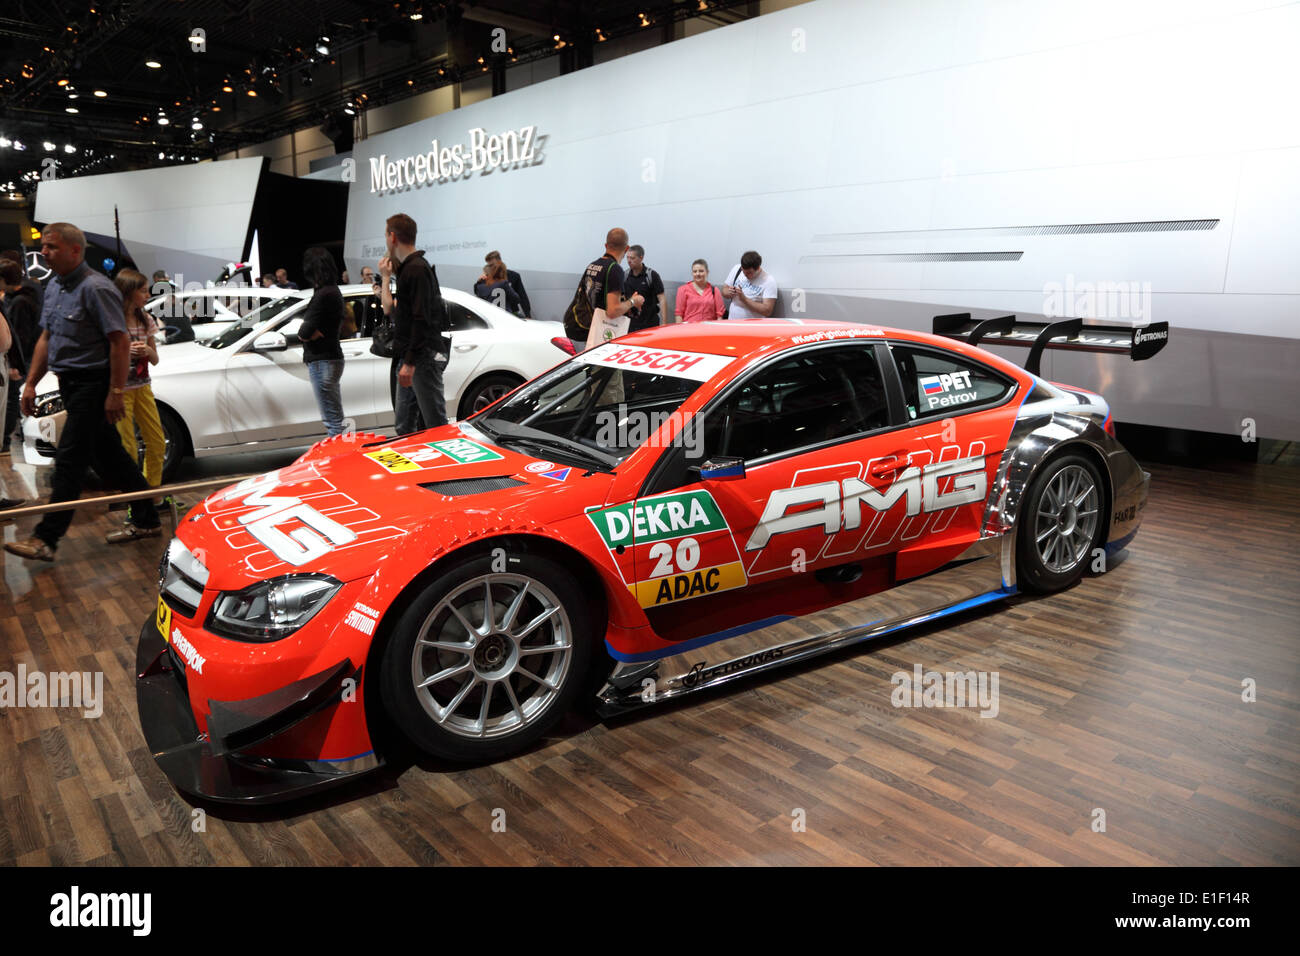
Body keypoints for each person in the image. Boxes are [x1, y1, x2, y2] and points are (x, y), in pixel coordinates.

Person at [4, 222, 161, 561]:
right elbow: (47, 338)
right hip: (70, 383)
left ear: (75, 250)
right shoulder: (55, 288)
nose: (43, 252)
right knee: (112, 457)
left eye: (51, 247)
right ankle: (148, 519)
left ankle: (46, 538)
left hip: (94, 382)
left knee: (70, 459)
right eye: (43, 246)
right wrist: (31, 383)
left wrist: (115, 391)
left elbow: (118, 342)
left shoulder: (96, 288)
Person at [380, 214, 448, 434]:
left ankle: (448, 468)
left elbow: (422, 319)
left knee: (435, 425)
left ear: (392, 236)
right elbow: (401, 312)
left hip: (420, 358)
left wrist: (409, 362)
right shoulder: (410, 268)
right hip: (412, 356)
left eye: (385, 235)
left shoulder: (416, 269)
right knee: (405, 426)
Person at [111, 269, 166, 493]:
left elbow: (155, 360)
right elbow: (105, 358)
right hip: (119, 390)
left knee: (157, 442)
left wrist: (145, 351)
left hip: (143, 388)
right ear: (128, 291)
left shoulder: (146, 319)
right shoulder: (112, 320)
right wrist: (126, 353)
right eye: (142, 291)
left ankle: (152, 493)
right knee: (127, 447)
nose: (147, 295)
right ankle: (134, 498)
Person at [564, 228, 642, 350]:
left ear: (606, 245)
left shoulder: (592, 265)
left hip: (580, 329)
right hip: (595, 335)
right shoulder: (615, 269)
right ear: (627, 249)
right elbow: (612, 311)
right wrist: (633, 301)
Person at [298, 247, 347, 436]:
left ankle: (341, 461)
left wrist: (307, 334)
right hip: (329, 358)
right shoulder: (332, 291)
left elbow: (304, 331)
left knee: (333, 421)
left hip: (322, 360)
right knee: (335, 418)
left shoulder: (324, 295)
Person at [1, 260, 41, 453]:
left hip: (22, 360)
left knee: (11, 399)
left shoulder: (20, 302)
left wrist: (16, 364)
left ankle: (5, 441)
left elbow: (21, 335)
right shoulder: (27, 295)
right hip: (25, 358)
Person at [720, 250, 778, 319]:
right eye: (743, 272)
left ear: (758, 268)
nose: (745, 275)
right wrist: (729, 292)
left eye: (749, 273)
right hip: (733, 323)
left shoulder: (769, 281)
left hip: (753, 327)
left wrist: (744, 299)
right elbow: (724, 290)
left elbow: (767, 311)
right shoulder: (737, 269)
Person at [623, 244, 666, 332]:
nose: (629, 261)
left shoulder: (651, 275)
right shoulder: (625, 275)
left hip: (649, 324)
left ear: (641, 258)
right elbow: (622, 298)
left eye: (632, 258)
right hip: (630, 325)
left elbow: (662, 299)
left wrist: (664, 324)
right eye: (627, 258)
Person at [479, 251, 531, 318]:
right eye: (489, 265)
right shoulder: (486, 278)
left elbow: (522, 296)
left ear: (500, 262)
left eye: (492, 265)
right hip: (492, 314)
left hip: (512, 313)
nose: (491, 268)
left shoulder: (514, 276)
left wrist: (528, 315)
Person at [674, 259, 725, 324]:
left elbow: (719, 316)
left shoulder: (715, 290)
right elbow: (679, 314)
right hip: (689, 329)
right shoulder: (682, 290)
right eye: (695, 271)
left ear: (707, 272)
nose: (698, 274)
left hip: (709, 329)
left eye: (701, 271)